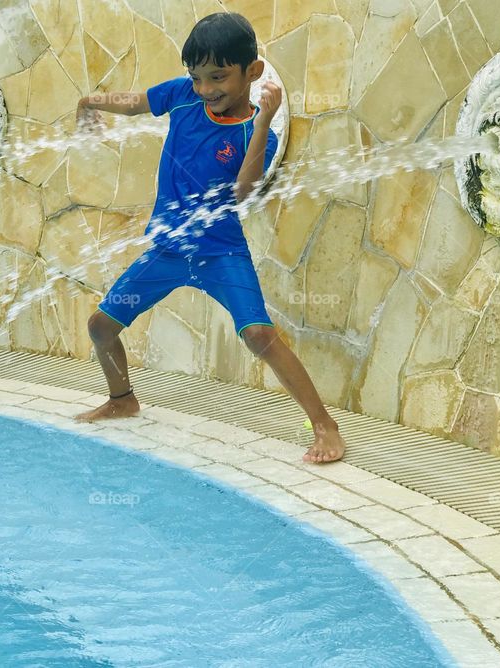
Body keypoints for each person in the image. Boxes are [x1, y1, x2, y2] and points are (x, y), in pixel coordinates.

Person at [72, 12, 346, 463]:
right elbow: (137, 101)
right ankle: (122, 398)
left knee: (258, 334)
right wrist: (91, 101)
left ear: (251, 72)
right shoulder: (181, 97)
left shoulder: (250, 129)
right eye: (197, 77)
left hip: (220, 253)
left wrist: (262, 124)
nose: (205, 89)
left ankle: (324, 425)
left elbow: (244, 191)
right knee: (101, 327)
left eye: (217, 76)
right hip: (168, 252)